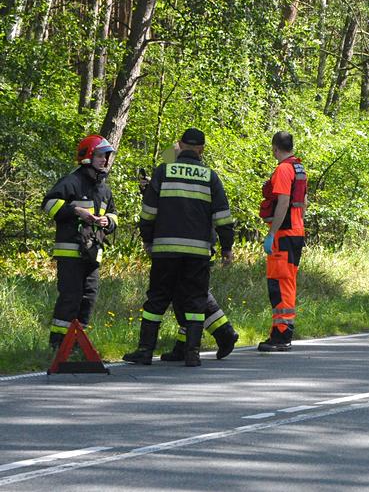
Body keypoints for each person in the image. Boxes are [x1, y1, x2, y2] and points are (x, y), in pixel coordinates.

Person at [123, 128, 234, 367]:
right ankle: (191, 353)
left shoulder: (163, 172)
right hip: (197, 253)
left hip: (166, 250)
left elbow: (148, 212)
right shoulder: (210, 176)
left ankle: (144, 351)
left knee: (157, 299)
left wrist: (147, 239)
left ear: (180, 145)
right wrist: (227, 247)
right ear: (202, 149)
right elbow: (223, 217)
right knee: (195, 301)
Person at [41, 135, 117, 349]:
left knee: (88, 298)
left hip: (93, 253)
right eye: (101, 156)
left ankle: (76, 344)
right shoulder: (71, 181)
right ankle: (57, 344)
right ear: (88, 157)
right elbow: (48, 204)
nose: (105, 160)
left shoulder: (104, 189)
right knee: (70, 298)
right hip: (70, 252)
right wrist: (76, 211)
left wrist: (107, 221)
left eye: (107, 156)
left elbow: (114, 215)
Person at [258, 131, 307, 352]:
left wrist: (271, 233)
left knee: (279, 284)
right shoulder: (299, 168)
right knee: (287, 282)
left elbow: (283, 202)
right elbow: (303, 202)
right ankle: (282, 332)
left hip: (284, 235)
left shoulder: (283, 169)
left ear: (275, 148)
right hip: (296, 232)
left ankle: (281, 335)